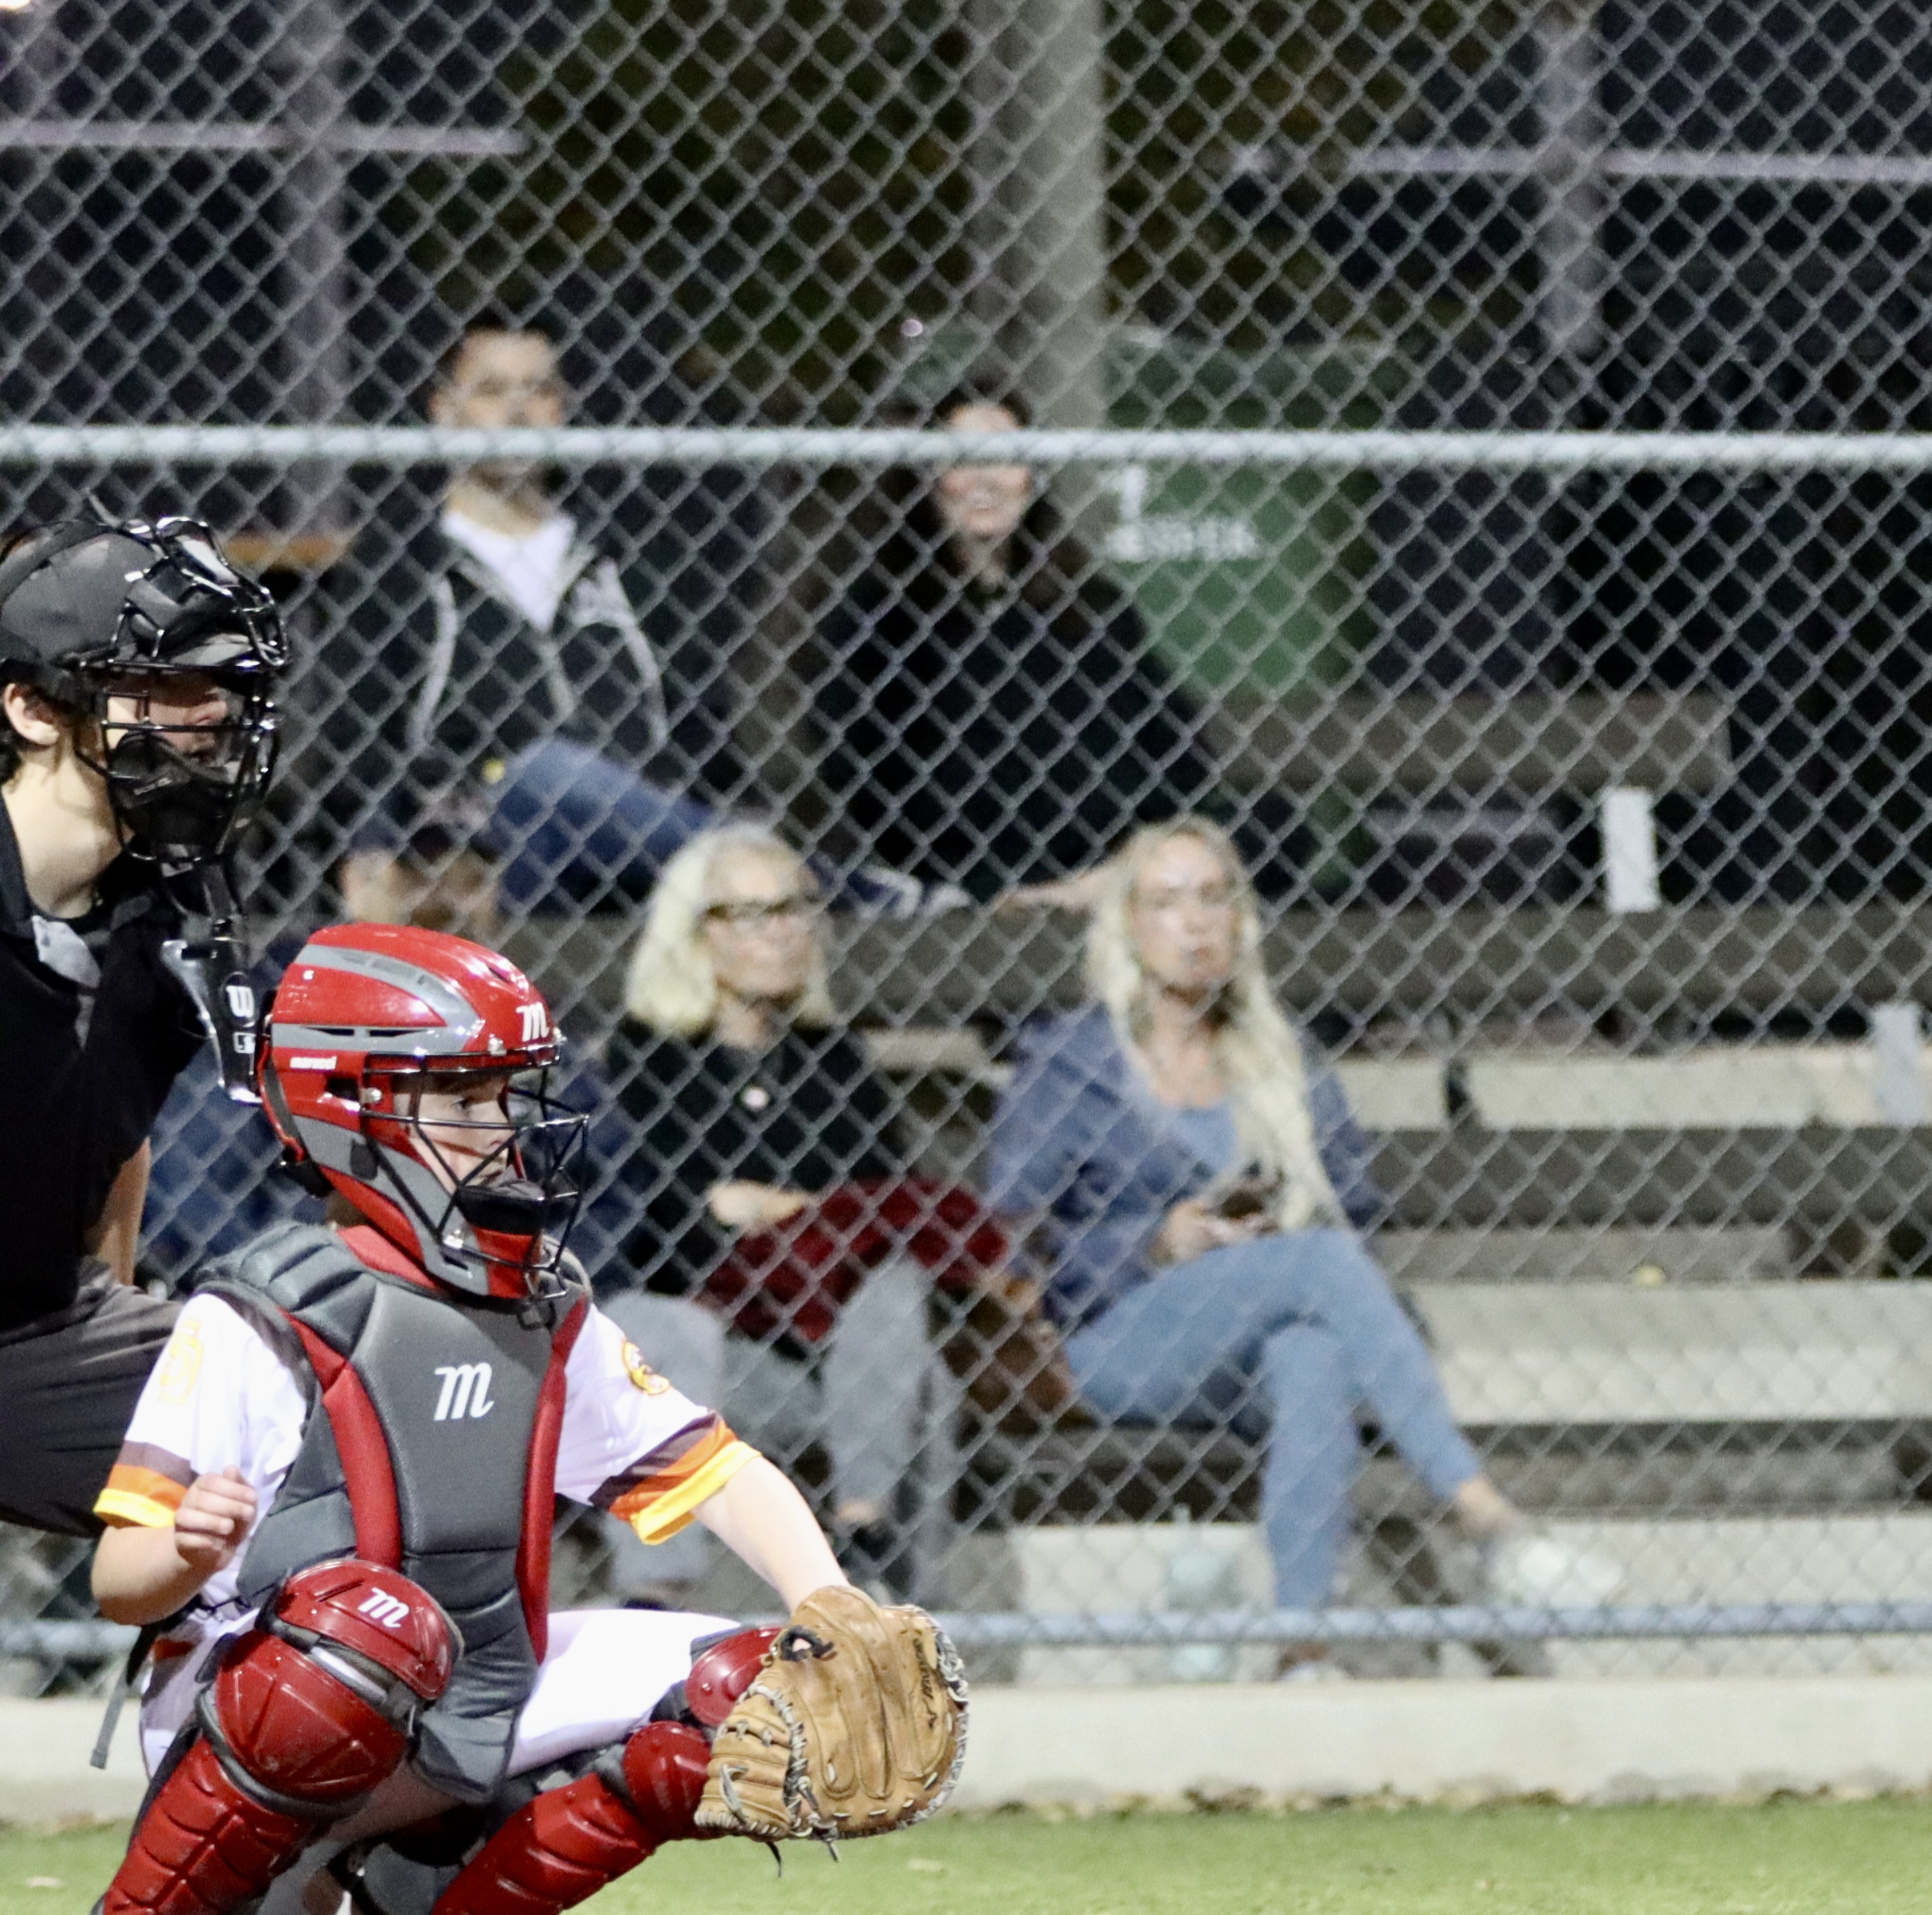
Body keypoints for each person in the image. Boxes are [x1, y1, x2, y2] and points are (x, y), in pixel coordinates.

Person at [35, 923, 952, 1915]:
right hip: (259, 1713)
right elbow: (119, 1583)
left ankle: (423, 1914)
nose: (503, 1129)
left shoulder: (538, 1302)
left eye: (506, 1095)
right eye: (464, 1100)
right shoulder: (258, 1314)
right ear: (346, 1107)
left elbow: (716, 1471)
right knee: (365, 1629)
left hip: (462, 1690)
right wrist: (183, 1547)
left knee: (755, 1686)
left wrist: (831, 1606)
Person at [988, 818, 1611, 1662]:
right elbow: (1011, 1238)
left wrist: (1271, 1238)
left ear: (1241, 920)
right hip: (1108, 1340)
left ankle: (1300, 1649)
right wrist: (1156, 1241)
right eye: (1166, 902)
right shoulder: (1071, 1065)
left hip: (1250, 1340)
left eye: (1213, 898)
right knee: (1315, 1264)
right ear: (1129, 926)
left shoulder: (1284, 1057)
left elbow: (1355, 1211)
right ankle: (1488, 1520)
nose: (1195, 923)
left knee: (1311, 1354)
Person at [0, 515, 287, 1542]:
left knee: (312, 1424)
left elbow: (121, 1142)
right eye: (162, 685)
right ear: (33, 709)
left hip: (32, 1332)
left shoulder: (167, 903)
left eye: (219, 684)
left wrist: (112, 1316)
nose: (206, 715)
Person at [599, 823, 956, 1601]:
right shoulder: (640, 1059)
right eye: (752, 914)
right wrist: (799, 1213)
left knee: (901, 1307)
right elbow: (661, 1235)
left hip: (821, 1363)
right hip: (704, 1356)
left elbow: (878, 1215)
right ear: (697, 934)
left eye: (794, 909)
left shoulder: (834, 1062)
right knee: (665, 1327)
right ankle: (654, 1595)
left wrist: (764, 1209)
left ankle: (866, 1549)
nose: (782, 932)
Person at [305, 310, 723, 917]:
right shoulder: (399, 567)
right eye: (493, 391)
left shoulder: (625, 558)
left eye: (540, 390)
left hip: (636, 840)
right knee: (546, 774)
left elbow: (700, 720)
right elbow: (359, 735)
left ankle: (750, 865)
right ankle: (780, 872)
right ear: (444, 410)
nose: (519, 411)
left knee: (578, 783)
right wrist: (375, 842)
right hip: (483, 836)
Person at [141, 809, 636, 1291]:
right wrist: (331, 1290)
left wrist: (515, 1283)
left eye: (470, 881)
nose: (446, 902)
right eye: (417, 876)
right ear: (355, 883)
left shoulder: (510, 1013)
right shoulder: (283, 1006)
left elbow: (612, 1190)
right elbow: (197, 1196)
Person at [812, 384, 1208, 907]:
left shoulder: (1091, 607)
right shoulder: (885, 616)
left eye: (1004, 458)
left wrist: (1130, 857)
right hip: (962, 869)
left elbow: (1176, 752)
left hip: (1105, 865)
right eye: (962, 459)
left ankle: (1083, 891)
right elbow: (862, 777)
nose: (985, 480)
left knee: (1269, 826)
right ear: (929, 477)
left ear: (1032, 476)